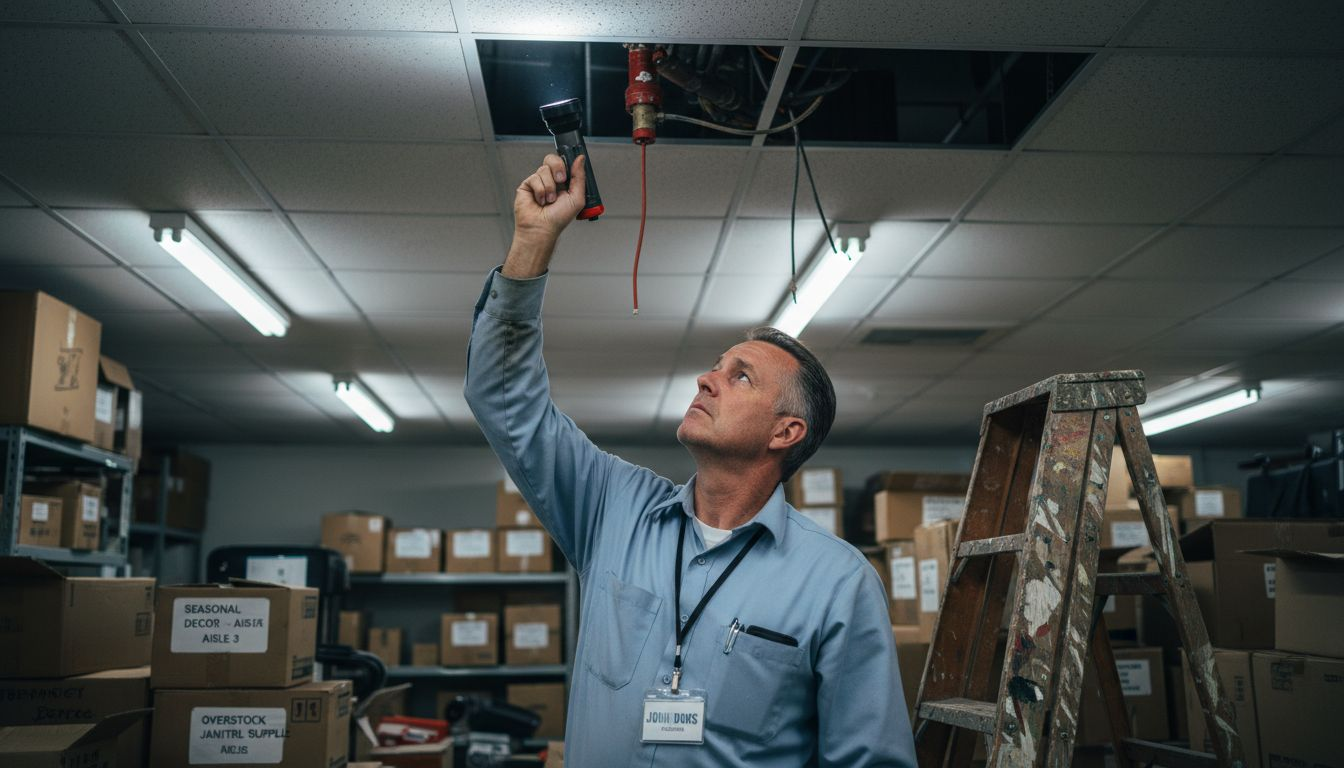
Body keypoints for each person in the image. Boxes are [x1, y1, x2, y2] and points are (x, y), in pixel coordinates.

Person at [464, 152, 915, 767]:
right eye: (715, 365)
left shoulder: (837, 583)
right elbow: (505, 402)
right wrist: (532, 245)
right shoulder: (612, 509)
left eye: (741, 377)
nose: (707, 378)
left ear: (786, 432)